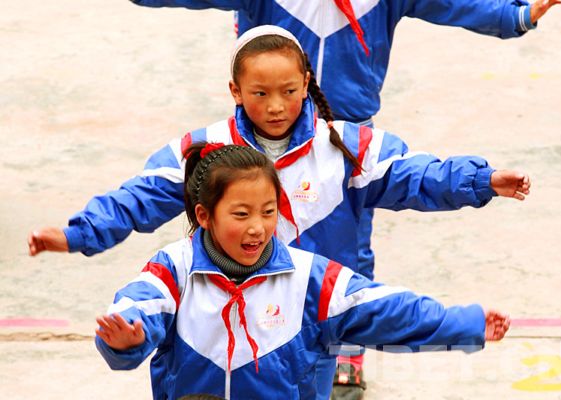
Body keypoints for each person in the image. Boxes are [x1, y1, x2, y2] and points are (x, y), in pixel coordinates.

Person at [29, 26, 530, 399]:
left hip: (304, 324)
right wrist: (78, 235)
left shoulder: (345, 146)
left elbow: (417, 177)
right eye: (259, 93)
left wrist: (479, 181)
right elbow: (138, 198)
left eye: (290, 92)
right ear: (235, 92)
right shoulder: (202, 158)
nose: (275, 106)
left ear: (307, 81)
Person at [95, 141, 511, 400]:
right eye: (241, 214)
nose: (257, 227)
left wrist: (465, 323)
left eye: (269, 212)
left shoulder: (309, 279)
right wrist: (127, 339)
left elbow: (388, 311)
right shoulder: (173, 270)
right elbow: (138, 307)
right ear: (204, 215)